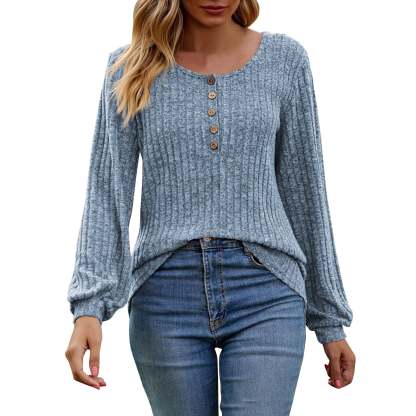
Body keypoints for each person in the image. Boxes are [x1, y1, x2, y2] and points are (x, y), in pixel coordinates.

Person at [65, 0, 356, 414]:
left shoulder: (286, 61)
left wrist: (329, 319)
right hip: (164, 294)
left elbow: (306, 192)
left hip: (268, 290)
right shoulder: (128, 68)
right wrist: (88, 309)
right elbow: (107, 192)